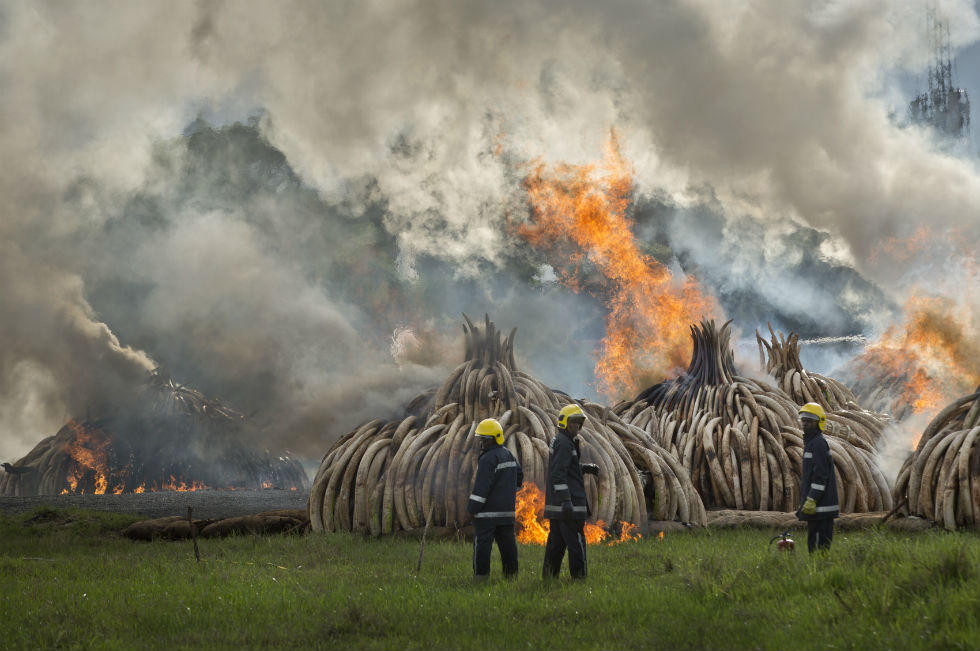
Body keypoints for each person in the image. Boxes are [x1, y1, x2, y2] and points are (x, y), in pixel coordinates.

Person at [542, 404, 599, 579]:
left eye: (579, 423)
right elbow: (558, 475)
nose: (576, 426)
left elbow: (565, 468)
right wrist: (566, 500)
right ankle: (579, 578)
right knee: (577, 543)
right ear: (564, 423)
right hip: (569, 507)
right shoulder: (565, 443)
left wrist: (583, 468)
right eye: (573, 422)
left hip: (560, 507)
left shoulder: (563, 441)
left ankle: (549, 577)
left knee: (556, 545)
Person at [467, 418, 523, 581]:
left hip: (487, 515)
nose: (481, 443)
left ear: (493, 439)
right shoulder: (508, 454)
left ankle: (481, 577)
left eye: (484, 439)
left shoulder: (487, 458)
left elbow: (481, 488)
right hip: (506, 513)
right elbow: (519, 476)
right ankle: (511, 576)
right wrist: (509, 491)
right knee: (508, 546)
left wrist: (472, 509)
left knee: (483, 546)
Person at [796, 403, 839, 553]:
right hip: (816, 507)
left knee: (820, 547)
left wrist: (812, 498)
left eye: (810, 421)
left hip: (822, 506)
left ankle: (822, 571)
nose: (805, 424)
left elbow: (821, 475)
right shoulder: (810, 443)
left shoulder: (818, 443)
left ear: (818, 422)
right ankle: (815, 570)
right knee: (812, 544)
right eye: (804, 420)